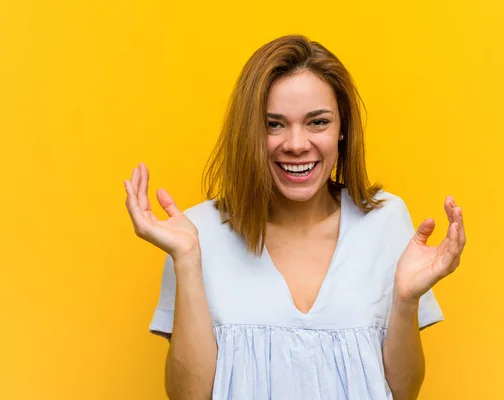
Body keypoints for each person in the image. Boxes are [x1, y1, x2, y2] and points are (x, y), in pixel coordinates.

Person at [124, 34, 467, 400]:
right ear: (249, 132)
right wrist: (187, 262)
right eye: (274, 124)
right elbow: (189, 398)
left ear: (342, 131)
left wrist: (405, 300)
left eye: (317, 122)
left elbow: (402, 392)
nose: (296, 143)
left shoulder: (385, 221)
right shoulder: (194, 235)